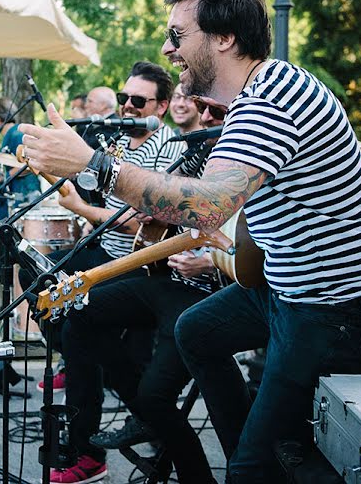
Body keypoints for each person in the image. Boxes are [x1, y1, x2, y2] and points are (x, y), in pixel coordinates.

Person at [18, 0, 361, 483]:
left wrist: (94, 165)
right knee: (196, 331)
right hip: (285, 286)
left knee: (251, 466)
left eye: (178, 35)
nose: (167, 49)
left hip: (338, 304)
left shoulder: (271, 98)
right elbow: (212, 206)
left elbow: (206, 206)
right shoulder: (252, 98)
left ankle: (259, 459)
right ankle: (259, 449)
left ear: (224, 38)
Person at [54, 101, 227, 484]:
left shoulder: (246, 161)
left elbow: (253, 246)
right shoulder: (197, 151)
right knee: (78, 310)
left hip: (210, 292)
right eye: (203, 107)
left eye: (216, 109)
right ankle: (141, 411)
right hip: (167, 278)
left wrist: (211, 262)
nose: (205, 116)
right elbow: (164, 203)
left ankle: (194, 473)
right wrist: (155, 209)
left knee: (157, 396)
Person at [18, 62, 183, 393]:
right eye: (124, 97)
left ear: (161, 107)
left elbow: (140, 222)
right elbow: (94, 187)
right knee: (34, 275)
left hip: (139, 265)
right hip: (105, 251)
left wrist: (82, 208)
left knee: (77, 320)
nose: (127, 106)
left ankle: (93, 417)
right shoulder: (120, 142)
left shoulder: (170, 148)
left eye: (139, 101)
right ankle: (86, 360)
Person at [0, 97, 41, 223]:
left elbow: (30, 164)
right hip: (13, 196)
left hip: (23, 196)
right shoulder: (10, 135)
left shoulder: (17, 135)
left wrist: (3, 176)